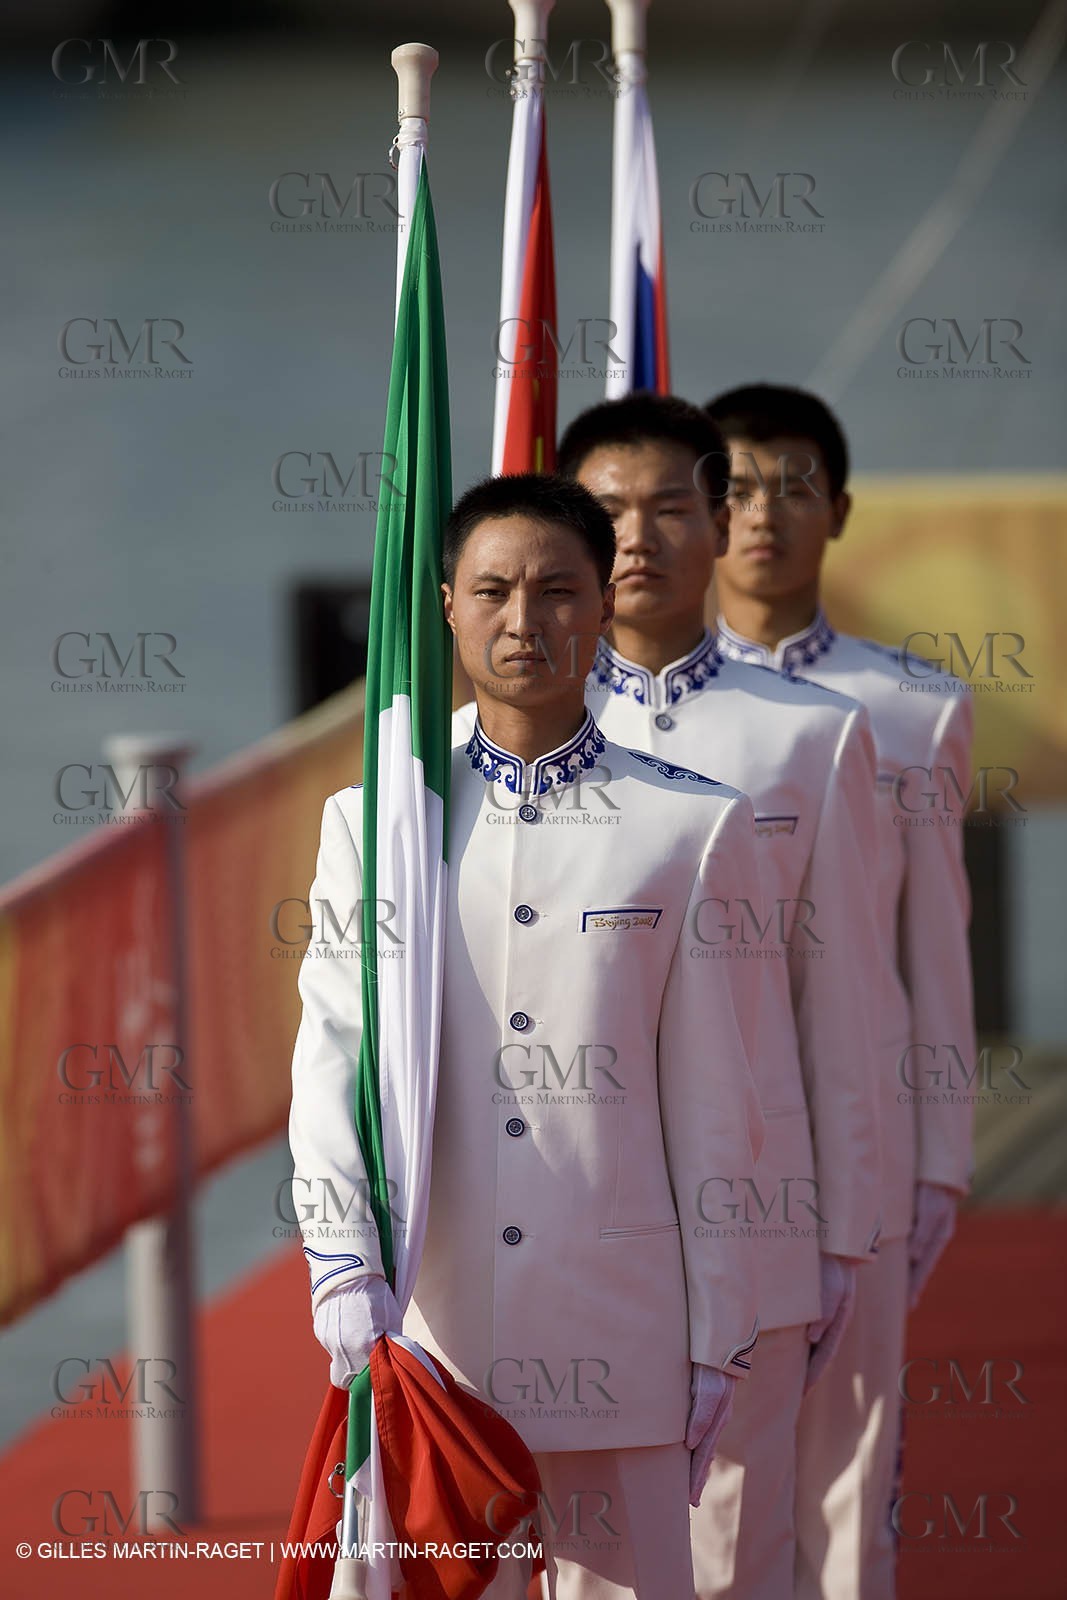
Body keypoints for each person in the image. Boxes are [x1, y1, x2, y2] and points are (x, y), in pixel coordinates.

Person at [290, 472, 767, 1599]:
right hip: (430, 1341)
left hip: (623, 1338)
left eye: (557, 590)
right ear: (444, 603)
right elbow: (331, 1059)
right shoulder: (379, 820)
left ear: (604, 605)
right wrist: (339, 1260)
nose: (523, 620)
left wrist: (719, 1335)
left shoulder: (691, 825)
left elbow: (715, 1110)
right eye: (492, 589)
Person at [552, 393, 883, 1600]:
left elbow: (840, 1008)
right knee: (587, 1564)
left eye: (668, 508)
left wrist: (847, 1233)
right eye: (602, 512)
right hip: (567, 1217)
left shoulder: (808, 735)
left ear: (715, 522)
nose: (634, 539)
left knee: (744, 1552)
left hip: (758, 1219)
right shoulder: (501, 746)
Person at [706, 381, 975, 1600]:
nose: (764, 514)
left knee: (848, 1470)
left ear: (840, 510)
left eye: (793, 485)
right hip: (705, 1135)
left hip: (856, 1139)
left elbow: (936, 952)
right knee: (706, 1478)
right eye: (739, 485)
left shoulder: (913, 710)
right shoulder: (633, 708)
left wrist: (937, 1162)